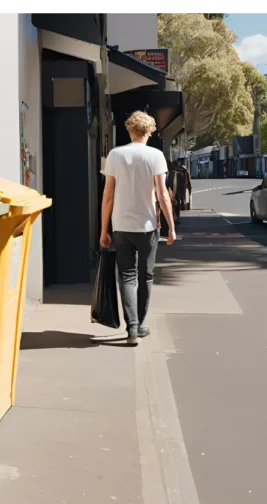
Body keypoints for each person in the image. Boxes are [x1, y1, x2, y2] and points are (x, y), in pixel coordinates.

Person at [100, 111, 175, 345]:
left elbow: (108, 196)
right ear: (150, 131)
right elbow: (162, 194)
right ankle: (141, 324)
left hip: (121, 225)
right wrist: (171, 227)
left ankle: (131, 327)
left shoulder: (115, 155)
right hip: (147, 226)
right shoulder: (156, 156)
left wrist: (104, 229)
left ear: (129, 129)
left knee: (127, 276)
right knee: (146, 275)